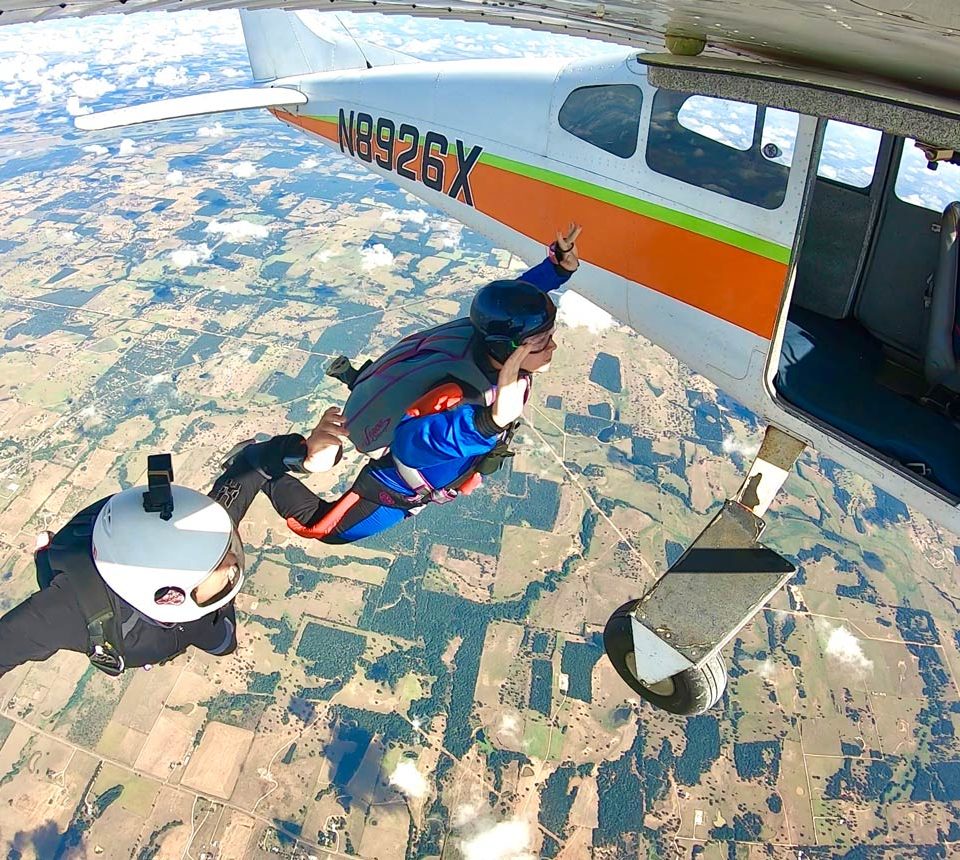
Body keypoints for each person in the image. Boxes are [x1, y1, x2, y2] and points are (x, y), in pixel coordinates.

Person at [242, 223, 583, 544]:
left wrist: (555, 270)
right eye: (540, 342)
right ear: (508, 347)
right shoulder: (464, 396)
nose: (553, 346)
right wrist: (486, 422)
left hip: (443, 430)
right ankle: (257, 462)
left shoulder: (478, 331)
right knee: (320, 527)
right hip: (396, 483)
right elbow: (409, 444)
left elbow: (508, 308)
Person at [0, 425, 342, 678]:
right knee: (223, 642)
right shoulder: (65, 612)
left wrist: (301, 453)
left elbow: (249, 470)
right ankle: (47, 557)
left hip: (131, 574)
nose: (234, 562)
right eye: (222, 567)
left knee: (223, 641)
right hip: (103, 605)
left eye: (226, 551)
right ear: (167, 594)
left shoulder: (199, 536)